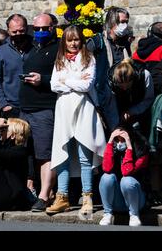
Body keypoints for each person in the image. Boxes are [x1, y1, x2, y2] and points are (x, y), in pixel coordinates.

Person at [45, 26, 106, 218]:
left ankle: (87, 196)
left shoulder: (90, 59)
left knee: (84, 154)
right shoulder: (60, 60)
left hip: (84, 109)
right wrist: (74, 80)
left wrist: (67, 81)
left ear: (81, 41)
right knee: (62, 152)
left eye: (76, 40)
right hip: (63, 109)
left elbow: (87, 85)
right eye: (69, 40)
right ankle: (62, 196)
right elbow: (53, 85)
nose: (73, 44)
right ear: (64, 42)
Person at [19, 13, 59, 212]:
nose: (40, 32)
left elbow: (64, 77)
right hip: (25, 108)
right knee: (27, 154)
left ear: (53, 27)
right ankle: (33, 191)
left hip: (44, 108)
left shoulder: (59, 48)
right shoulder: (32, 47)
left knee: (44, 153)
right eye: (37, 29)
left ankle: (44, 195)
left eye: (45, 28)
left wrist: (42, 80)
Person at [99, 126, 149, 226]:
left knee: (127, 180)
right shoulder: (112, 147)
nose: (120, 143)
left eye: (123, 140)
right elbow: (106, 168)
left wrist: (129, 147)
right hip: (117, 202)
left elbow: (127, 171)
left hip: (136, 201)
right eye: (117, 140)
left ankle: (134, 215)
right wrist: (110, 142)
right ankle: (107, 214)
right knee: (106, 177)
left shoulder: (141, 153)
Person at [0, 14, 33, 119]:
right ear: (8, 31)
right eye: (14, 32)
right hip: (11, 107)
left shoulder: (36, 48)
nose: (18, 34)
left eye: (21, 31)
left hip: (34, 107)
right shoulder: (1, 51)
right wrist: (3, 104)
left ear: (27, 29)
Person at [109, 58, 154, 137]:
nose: (124, 88)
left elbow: (149, 99)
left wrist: (132, 111)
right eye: (121, 85)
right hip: (119, 117)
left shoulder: (144, 75)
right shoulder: (111, 82)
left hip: (143, 115)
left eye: (127, 85)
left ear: (133, 78)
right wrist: (115, 126)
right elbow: (111, 105)